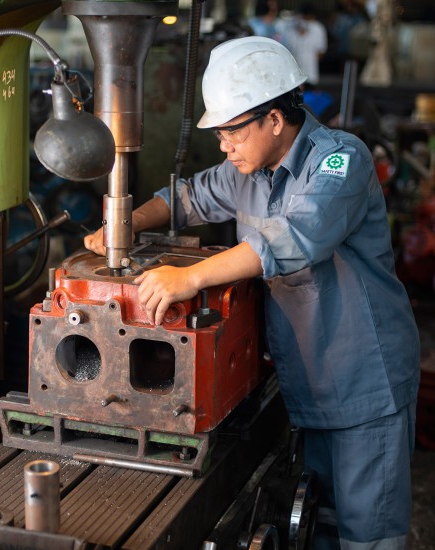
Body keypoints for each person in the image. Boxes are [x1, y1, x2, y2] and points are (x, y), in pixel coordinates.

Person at [85, 37, 420, 549]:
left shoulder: (340, 161)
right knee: (320, 524)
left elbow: (293, 239)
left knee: (367, 535)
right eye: (220, 134)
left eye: (232, 132)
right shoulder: (248, 173)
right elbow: (188, 197)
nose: (225, 146)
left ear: (275, 120)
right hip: (309, 383)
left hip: (363, 383)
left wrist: (190, 276)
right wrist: (124, 224)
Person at [279, 2, 327, 85]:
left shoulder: (318, 28)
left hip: (311, 75)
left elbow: (320, 52)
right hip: (292, 75)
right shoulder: (289, 29)